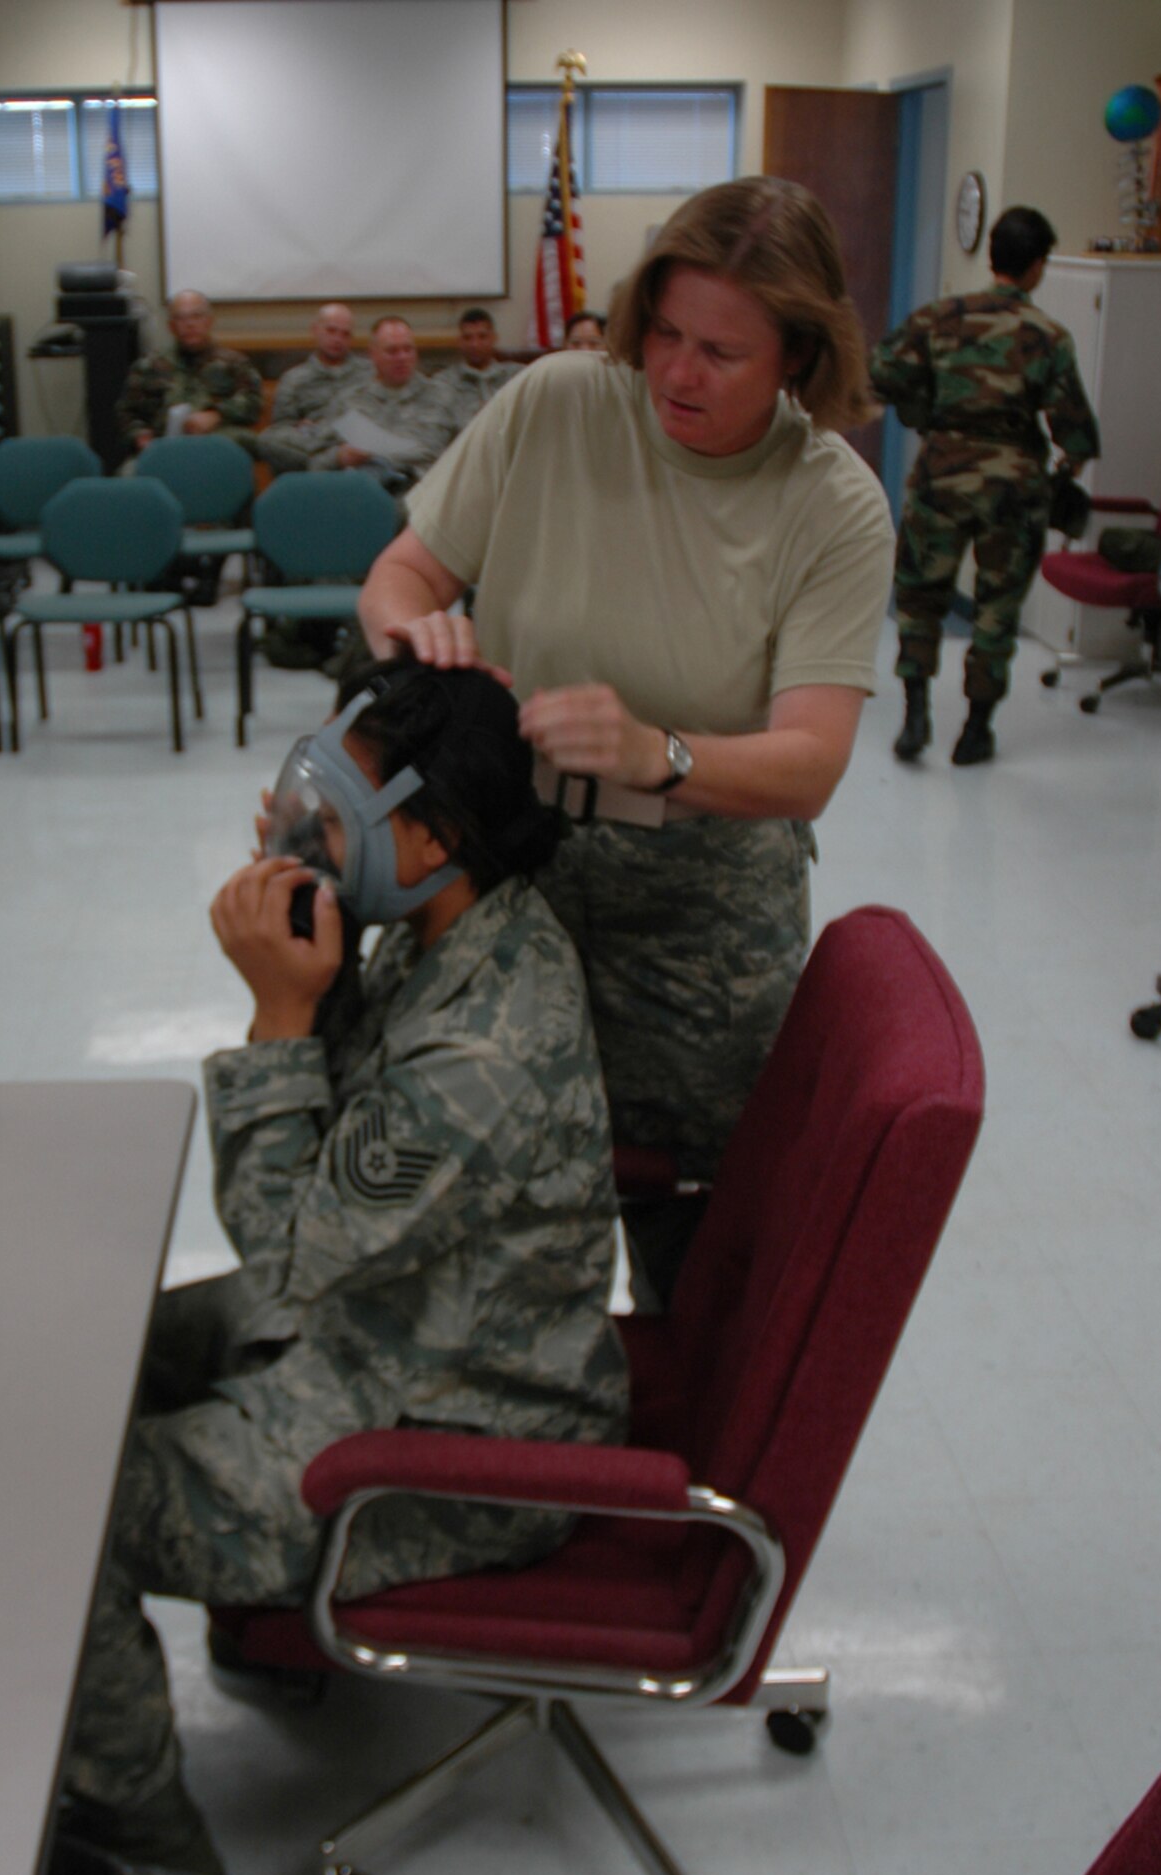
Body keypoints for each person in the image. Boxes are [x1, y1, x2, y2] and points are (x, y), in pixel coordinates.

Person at [56, 660, 624, 1875]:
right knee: (93, 1355)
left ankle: (143, 1845)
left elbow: (290, 1255)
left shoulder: (484, 1040)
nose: (297, 825)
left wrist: (275, 1011)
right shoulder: (451, 920)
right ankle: (263, 1628)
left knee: (68, 1515)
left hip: (458, 1424)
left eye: (335, 813)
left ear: (431, 833)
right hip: (403, 1317)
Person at [357, 176, 895, 1298]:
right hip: (501, 864)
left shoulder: (831, 503)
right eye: (664, 332)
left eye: (722, 352)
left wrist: (663, 751)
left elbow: (811, 762)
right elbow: (402, 574)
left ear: (798, 355)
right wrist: (418, 635)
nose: (676, 372)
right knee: (457, 1183)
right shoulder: (559, 401)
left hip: (699, 899)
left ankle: (673, 1465)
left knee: (698, 1222)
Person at [870, 206, 1099, 767]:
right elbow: (1076, 433)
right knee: (997, 607)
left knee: (921, 595)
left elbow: (881, 374)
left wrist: (926, 415)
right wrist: (1062, 474)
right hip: (1014, 488)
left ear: (993, 254)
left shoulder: (938, 318)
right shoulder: (1048, 336)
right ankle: (975, 730)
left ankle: (915, 714)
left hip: (941, 473)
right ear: (1037, 266)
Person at [113, 290, 263, 464]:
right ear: (171, 326)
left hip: (217, 446)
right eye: (181, 318)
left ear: (209, 321)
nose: (190, 324)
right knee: (128, 477)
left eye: (196, 316)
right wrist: (141, 437)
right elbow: (125, 412)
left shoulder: (234, 363)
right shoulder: (149, 366)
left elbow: (254, 404)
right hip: (163, 448)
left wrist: (217, 414)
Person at [308, 316, 455, 491]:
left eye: (408, 349)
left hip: (425, 497)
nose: (402, 357)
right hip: (364, 498)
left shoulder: (443, 397)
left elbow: (469, 454)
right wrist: (339, 457)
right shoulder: (349, 401)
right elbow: (314, 464)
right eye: (392, 351)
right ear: (373, 355)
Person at [257, 302, 369, 474]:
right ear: (315, 330)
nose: (338, 339)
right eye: (331, 331)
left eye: (345, 334)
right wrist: (301, 428)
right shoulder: (295, 378)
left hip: (358, 443)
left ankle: (325, 463)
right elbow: (281, 429)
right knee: (267, 440)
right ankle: (332, 460)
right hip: (316, 441)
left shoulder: (368, 373)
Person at [433, 306, 523, 436]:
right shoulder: (443, 383)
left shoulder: (515, 376)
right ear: (460, 342)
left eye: (482, 337)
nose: (475, 344)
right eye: (468, 338)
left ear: (494, 338)